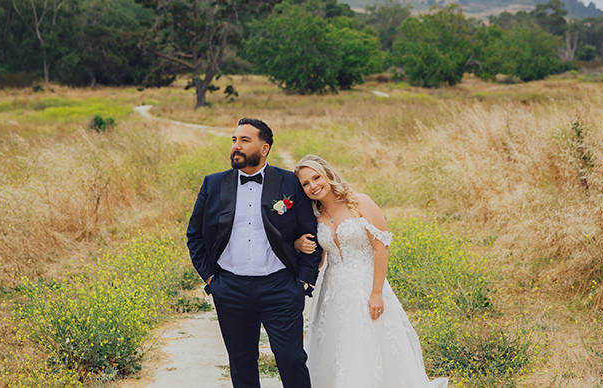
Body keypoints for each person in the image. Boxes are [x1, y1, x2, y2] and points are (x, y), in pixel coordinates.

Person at [186, 118, 322, 388]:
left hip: (280, 287)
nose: (236, 146)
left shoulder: (289, 182)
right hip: (230, 288)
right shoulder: (213, 184)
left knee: (291, 358)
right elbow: (195, 235)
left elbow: (311, 233)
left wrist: (303, 281)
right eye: (234, 140)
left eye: (245, 140)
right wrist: (212, 279)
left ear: (264, 148)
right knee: (241, 362)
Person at [292, 154, 448, 388]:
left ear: (328, 175)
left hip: (366, 285)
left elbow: (381, 249)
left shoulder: (359, 203)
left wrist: (376, 293)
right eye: (306, 183)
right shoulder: (314, 218)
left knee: (370, 345)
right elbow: (320, 261)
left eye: (316, 177)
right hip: (333, 292)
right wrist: (297, 245)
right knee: (337, 348)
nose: (313, 185)